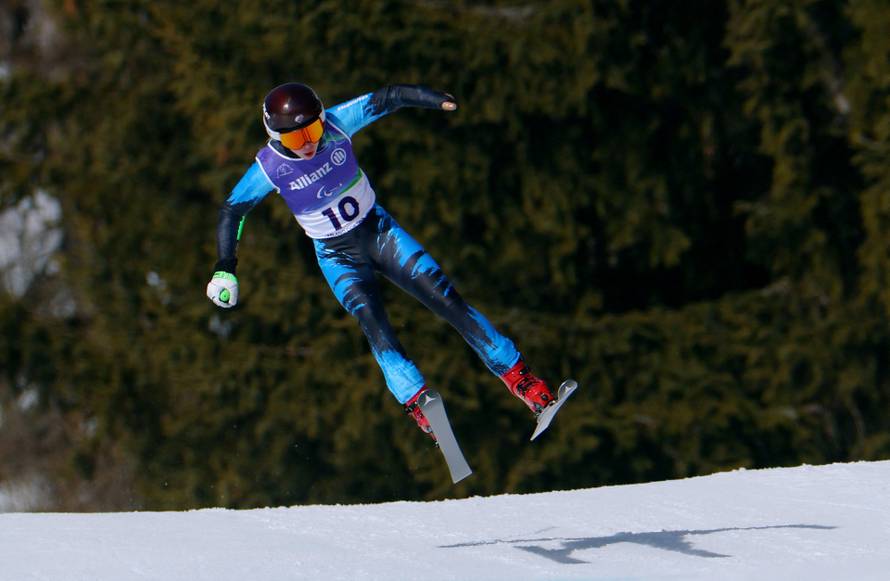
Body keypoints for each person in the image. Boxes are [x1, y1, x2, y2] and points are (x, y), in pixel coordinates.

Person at [206, 82, 555, 439]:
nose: (309, 143)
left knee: (447, 300)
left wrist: (436, 100)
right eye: (296, 138)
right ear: (277, 137)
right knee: (375, 325)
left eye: (313, 130)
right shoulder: (268, 168)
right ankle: (417, 401)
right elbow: (232, 211)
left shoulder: (338, 124)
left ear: (322, 119)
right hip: (338, 256)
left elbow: (388, 98)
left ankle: (522, 381)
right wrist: (225, 267)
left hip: (380, 233)